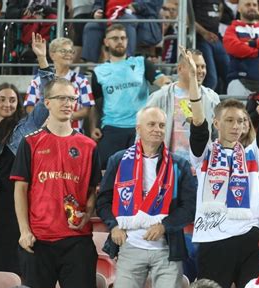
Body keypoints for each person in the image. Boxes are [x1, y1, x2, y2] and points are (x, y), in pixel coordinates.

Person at [187, 41, 259, 288]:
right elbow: (198, 127)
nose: (236, 126)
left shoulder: (252, 155)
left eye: (242, 121)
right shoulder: (204, 155)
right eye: (230, 120)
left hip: (248, 238)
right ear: (217, 122)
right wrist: (193, 83)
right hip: (213, 239)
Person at [10, 38, 101, 288]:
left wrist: (88, 211)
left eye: (72, 99)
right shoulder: (30, 142)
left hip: (76, 239)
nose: (68, 103)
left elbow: (92, 189)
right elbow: (20, 189)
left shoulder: (88, 145)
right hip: (39, 238)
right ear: (46, 102)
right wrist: (24, 230)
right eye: (61, 98)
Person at [96, 106, 196, 288]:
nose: (157, 129)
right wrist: (113, 227)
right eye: (151, 124)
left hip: (167, 250)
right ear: (138, 128)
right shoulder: (118, 160)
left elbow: (190, 206)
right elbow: (103, 201)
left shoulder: (179, 164)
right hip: (130, 246)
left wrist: (165, 226)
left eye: (161, 125)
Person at [0, 33, 50, 274]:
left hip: (13, 196)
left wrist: (42, 60)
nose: (7, 104)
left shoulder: (26, 125)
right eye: (2, 99)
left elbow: (48, 99)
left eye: (12, 100)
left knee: (10, 254)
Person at [89, 23, 169, 169]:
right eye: (114, 38)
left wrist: (168, 84)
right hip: (112, 127)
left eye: (123, 38)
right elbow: (96, 103)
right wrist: (94, 126)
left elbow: (163, 82)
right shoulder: (99, 71)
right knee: (105, 171)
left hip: (140, 127)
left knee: (142, 170)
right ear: (106, 42)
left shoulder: (141, 63)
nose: (119, 41)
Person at [146, 48, 220, 160]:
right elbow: (143, 131)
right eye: (195, 66)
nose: (199, 71)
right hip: (168, 167)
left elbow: (218, 134)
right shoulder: (159, 97)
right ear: (180, 69)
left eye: (203, 66)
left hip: (201, 167)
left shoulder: (212, 98)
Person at [23, 37, 94, 133]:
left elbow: (86, 110)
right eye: (63, 51)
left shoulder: (81, 80)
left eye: (71, 51)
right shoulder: (38, 80)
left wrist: (60, 116)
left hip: (75, 134)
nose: (68, 54)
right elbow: (29, 107)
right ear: (52, 55)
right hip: (44, 134)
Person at [223, 0, 259, 97]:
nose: (252, 7)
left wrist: (253, 43)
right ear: (239, 8)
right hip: (239, 81)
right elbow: (234, 48)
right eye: (248, 5)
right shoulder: (232, 28)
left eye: (254, 5)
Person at [81, 0, 164, 63]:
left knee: (127, 19)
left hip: (135, 15)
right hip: (108, 16)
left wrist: (135, 6)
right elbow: (98, 3)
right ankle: (90, 65)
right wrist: (96, 10)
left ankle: (126, 62)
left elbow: (154, 3)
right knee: (92, 26)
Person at [193, 0, 230, 93]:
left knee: (229, 74)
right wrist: (204, 32)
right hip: (201, 39)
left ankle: (227, 105)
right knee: (211, 80)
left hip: (215, 38)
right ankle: (204, 104)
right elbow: (187, 18)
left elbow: (220, 7)